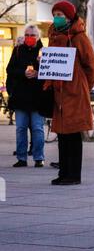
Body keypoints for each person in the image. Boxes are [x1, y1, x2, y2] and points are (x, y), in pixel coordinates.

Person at [46, 0, 94, 185]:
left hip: (75, 91)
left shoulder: (79, 37)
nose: (57, 18)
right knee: (61, 133)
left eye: (60, 14)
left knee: (73, 133)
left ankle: (73, 175)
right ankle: (64, 172)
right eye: (55, 14)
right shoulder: (54, 35)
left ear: (69, 16)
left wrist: (84, 86)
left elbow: (91, 65)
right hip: (59, 91)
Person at [6, 24, 45, 167]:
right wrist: (23, 72)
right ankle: (21, 158)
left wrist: (37, 73)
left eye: (32, 35)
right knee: (20, 128)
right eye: (27, 35)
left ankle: (38, 157)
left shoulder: (44, 51)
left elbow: (50, 72)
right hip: (20, 97)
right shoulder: (17, 50)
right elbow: (10, 69)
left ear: (38, 37)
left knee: (37, 128)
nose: (29, 37)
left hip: (37, 97)